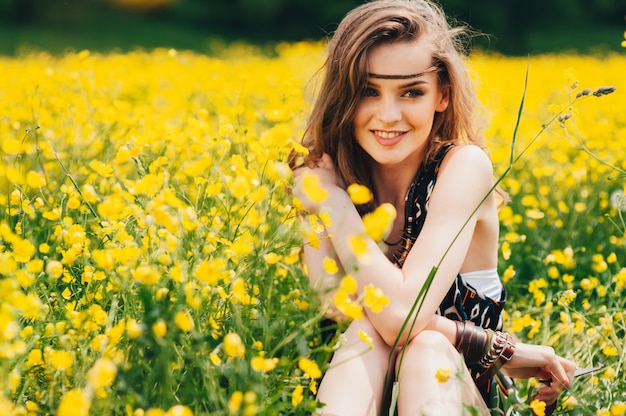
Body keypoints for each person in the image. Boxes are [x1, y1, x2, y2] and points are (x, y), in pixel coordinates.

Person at [290, 0, 577, 415]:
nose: (388, 115)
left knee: (423, 347)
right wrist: (496, 348)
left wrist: (333, 202)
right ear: (343, 95)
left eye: (411, 91)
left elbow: (401, 319)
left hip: (451, 393)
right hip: (358, 387)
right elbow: (339, 308)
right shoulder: (321, 171)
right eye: (368, 90)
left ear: (442, 95)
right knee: (362, 334)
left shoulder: (462, 168)